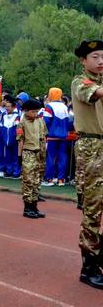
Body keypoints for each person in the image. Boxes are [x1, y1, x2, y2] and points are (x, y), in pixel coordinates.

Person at [71, 40, 103, 289]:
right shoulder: (81, 82)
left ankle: (98, 253)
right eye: (95, 56)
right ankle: (89, 266)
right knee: (93, 209)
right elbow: (95, 94)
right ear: (84, 61)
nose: (101, 60)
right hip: (92, 148)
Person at [17, 98, 47, 220]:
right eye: (33, 111)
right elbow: (20, 141)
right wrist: (19, 156)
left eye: (37, 111)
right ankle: (27, 207)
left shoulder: (40, 121)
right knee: (28, 181)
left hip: (39, 153)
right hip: (28, 152)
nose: (36, 114)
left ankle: (34, 206)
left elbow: (43, 137)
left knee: (37, 181)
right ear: (26, 111)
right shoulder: (22, 123)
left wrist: (44, 153)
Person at [42, 87, 70, 186]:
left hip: (52, 136)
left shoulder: (49, 106)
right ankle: (61, 179)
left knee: (51, 157)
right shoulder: (65, 107)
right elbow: (69, 122)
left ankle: (49, 179)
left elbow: (46, 121)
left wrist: (44, 134)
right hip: (63, 136)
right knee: (63, 157)